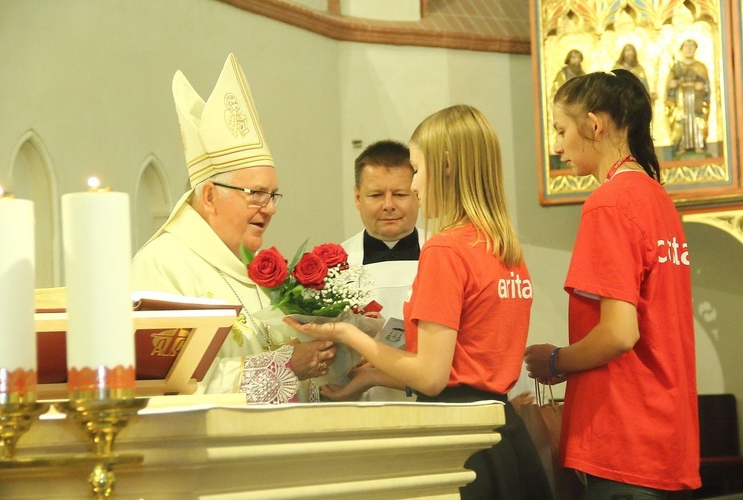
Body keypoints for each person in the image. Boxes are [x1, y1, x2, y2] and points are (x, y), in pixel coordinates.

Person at [286, 105, 553, 499]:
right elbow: (470, 365)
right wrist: (372, 375)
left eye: (417, 169)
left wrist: (345, 332)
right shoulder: (502, 246)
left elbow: (433, 377)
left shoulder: (445, 248)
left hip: (457, 435)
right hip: (501, 430)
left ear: (445, 169)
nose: (413, 187)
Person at [525, 69, 701, 497]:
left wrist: (555, 362)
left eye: (561, 130)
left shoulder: (609, 201)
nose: (557, 146)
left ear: (595, 124)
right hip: (666, 429)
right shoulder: (656, 196)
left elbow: (620, 332)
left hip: (624, 432)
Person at [132, 53, 336, 404]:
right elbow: (164, 384)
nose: (269, 208)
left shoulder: (259, 272)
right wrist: (284, 366)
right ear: (209, 195)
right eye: (256, 194)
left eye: (273, 195)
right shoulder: (161, 266)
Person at [341, 139, 423, 401]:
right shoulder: (335, 263)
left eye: (399, 194)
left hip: (431, 402)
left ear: (417, 193)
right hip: (359, 407)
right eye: (376, 195)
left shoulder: (446, 254)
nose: (389, 205)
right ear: (357, 197)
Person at [665, 39, 710, 156]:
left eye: (692, 46)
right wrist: (672, 85)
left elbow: (707, 87)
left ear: (695, 49)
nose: (689, 49)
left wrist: (703, 87)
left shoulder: (701, 67)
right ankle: (680, 146)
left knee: (697, 120)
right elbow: (669, 88)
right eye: (686, 46)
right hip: (681, 100)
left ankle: (699, 144)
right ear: (681, 50)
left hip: (696, 101)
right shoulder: (676, 67)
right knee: (681, 120)